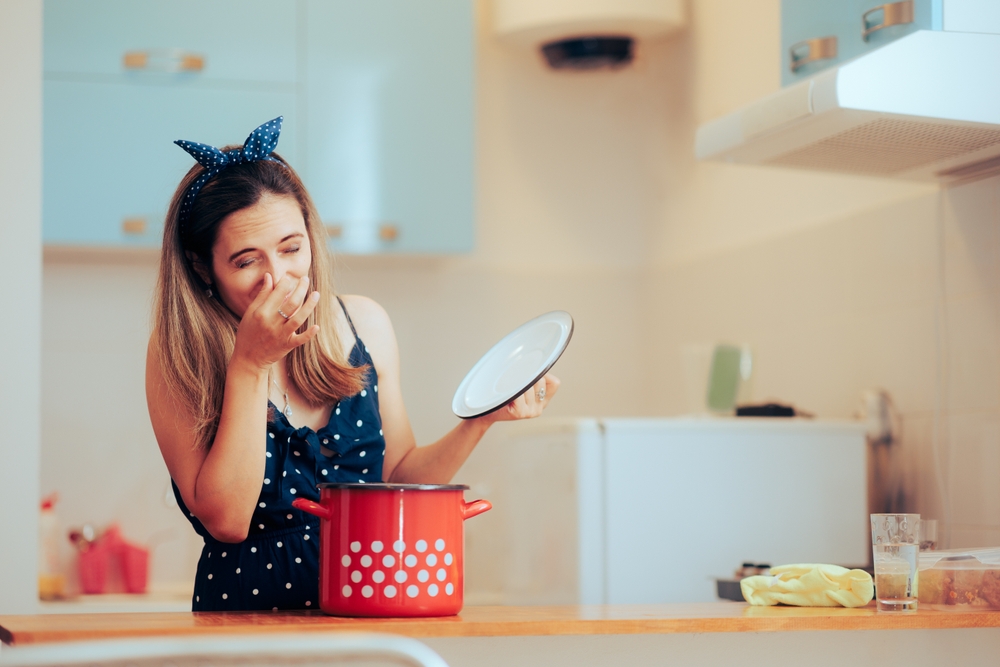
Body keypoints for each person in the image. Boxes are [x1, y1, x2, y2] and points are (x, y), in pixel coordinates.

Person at [146, 117, 559, 611]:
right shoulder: (179, 353)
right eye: (245, 261)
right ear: (201, 266)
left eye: (291, 249)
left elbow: (398, 480)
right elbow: (228, 520)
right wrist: (250, 364)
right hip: (245, 622)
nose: (277, 277)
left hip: (370, 614)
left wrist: (482, 420)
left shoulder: (365, 323)